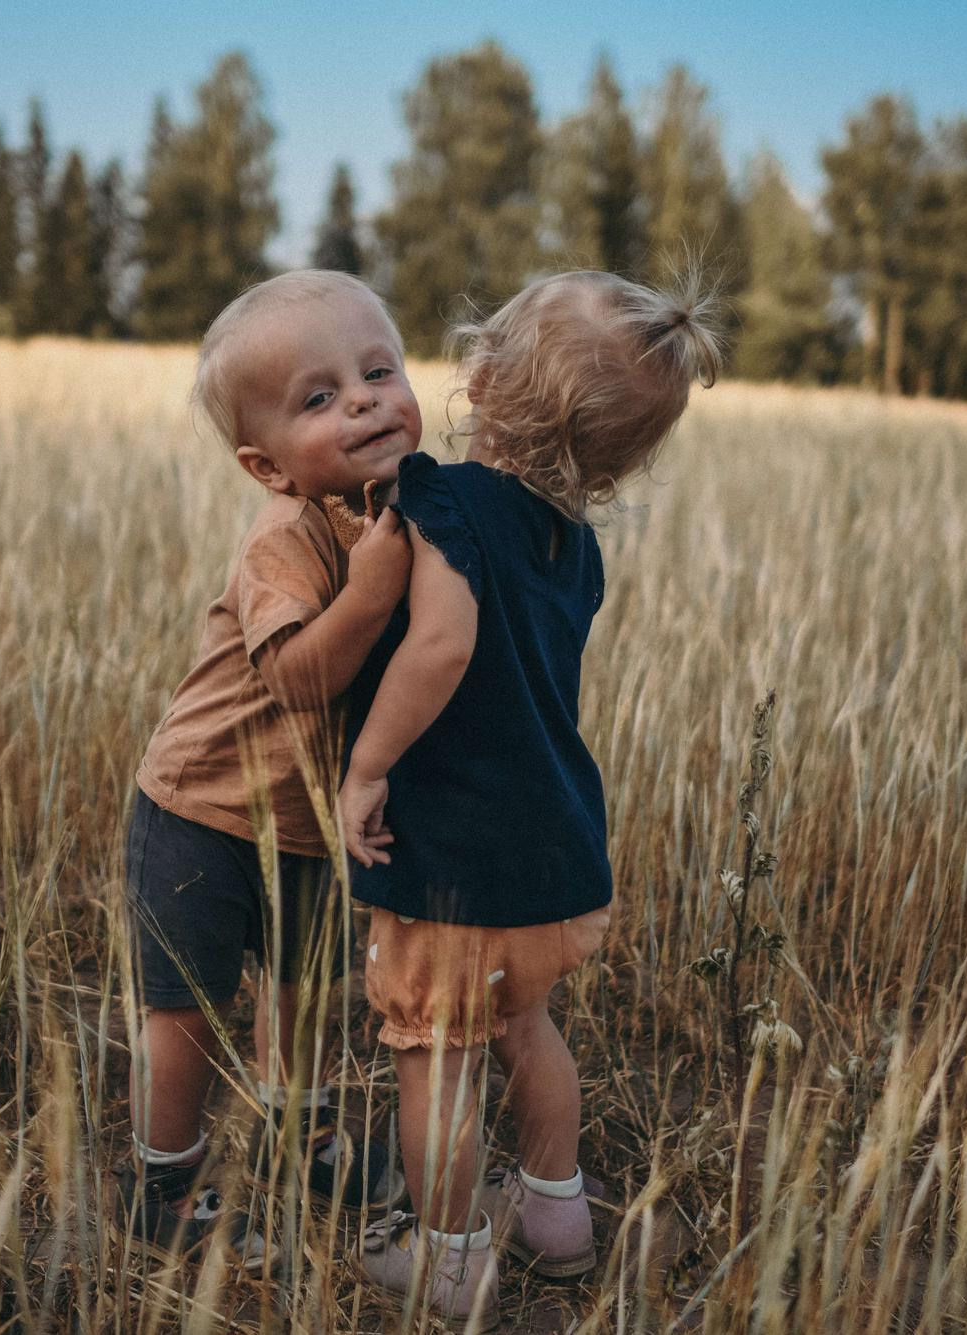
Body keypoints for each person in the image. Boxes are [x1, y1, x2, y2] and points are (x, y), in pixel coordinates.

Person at [338, 270, 725, 1324]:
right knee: (528, 1029)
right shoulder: (575, 545)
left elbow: (442, 643)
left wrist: (366, 765)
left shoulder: (443, 498)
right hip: (558, 858)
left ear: (486, 378)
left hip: (457, 862)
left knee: (436, 1058)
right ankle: (557, 1222)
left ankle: (451, 1260)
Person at [120, 270, 417, 1266]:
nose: (365, 399)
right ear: (267, 466)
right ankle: (166, 1181)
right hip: (200, 811)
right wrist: (372, 595)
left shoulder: (399, 508)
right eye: (320, 398)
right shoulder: (282, 539)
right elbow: (295, 677)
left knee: (302, 986)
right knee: (190, 1010)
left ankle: (304, 1136)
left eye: (378, 371)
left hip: (302, 822)